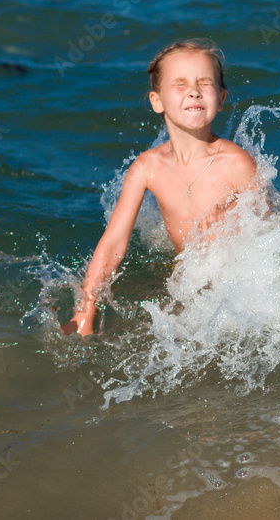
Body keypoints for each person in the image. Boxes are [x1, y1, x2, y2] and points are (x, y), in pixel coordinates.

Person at [62, 39, 258, 336]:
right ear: (157, 101)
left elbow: (270, 237)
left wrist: (234, 219)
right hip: (188, 277)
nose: (193, 90)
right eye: (180, 83)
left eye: (204, 83)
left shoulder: (237, 163)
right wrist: (86, 306)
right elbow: (114, 242)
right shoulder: (147, 167)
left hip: (239, 285)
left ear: (220, 99)